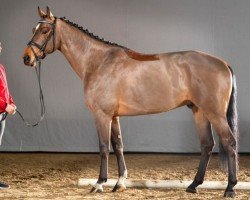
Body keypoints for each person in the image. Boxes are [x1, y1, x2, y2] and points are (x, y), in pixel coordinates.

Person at [0, 41, 16, 189]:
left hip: (1, 115)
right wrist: (6, 106)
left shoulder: (1, 67)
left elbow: (5, 90)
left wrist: (11, 103)